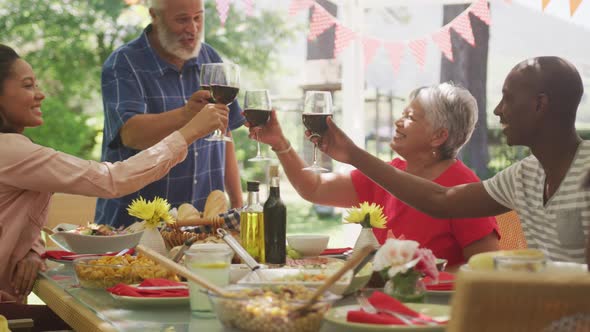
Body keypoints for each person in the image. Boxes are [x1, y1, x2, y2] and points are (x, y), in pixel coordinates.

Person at [0, 44, 227, 304]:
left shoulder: (15, 152)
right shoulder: (11, 152)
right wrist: (188, 133)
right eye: (28, 86)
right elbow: (112, 179)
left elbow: (14, 219)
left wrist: (31, 250)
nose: (40, 95)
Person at [314, 56, 590, 264]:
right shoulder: (524, 175)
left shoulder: (586, 171)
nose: (497, 110)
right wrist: (352, 155)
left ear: (539, 105)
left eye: (508, 99)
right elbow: (441, 201)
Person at [248, 83, 499, 269]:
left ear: (438, 136)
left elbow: (485, 267)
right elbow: (314, 188)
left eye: (410, 117)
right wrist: (280, 143)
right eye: (402, 114)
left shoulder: (464, 188)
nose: (398, 122)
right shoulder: (390, 173)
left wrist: (422, 275)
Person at [95, 0, 245, 228]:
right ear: (155, 16)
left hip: (203, 225)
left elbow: (225, 134)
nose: (193, 28)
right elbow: (131, 134)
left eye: (198, 17)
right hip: (136, 227)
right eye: (182, 19)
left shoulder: (210, 58)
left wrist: (237, 205)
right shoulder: (123, 63)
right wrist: (186, 114)